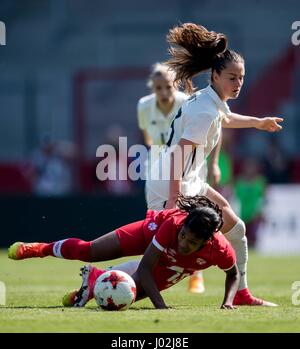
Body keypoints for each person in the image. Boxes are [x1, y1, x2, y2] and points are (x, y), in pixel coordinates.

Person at [145, 23, 283, 305]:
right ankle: (109, 278)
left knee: (236, 228)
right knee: (168, 255)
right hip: (174, 183)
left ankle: (241, 293)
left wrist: (258, 123)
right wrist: (174, 198)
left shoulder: (211, 101)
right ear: (216, 75)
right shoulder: (206, 110)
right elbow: (178, 155)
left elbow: (226, 119)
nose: (238, 83)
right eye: (232, 77)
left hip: (189, 180)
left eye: (242, 78)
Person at [9, 195, 241, 309]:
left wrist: (228, 302)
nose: (184, 242)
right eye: (184, 235)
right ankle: (41, 249)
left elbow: (233, 273)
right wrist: (161, 306)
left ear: (207, 242)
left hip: (174, 265)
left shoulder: (219, 249)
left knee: (129, 294)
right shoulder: (174, 226)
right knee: (89, 251)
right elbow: (145, 267)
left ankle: (92, 285)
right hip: (150, 233)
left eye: (192, 242)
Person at [137, 62, 215, 293]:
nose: (163, 93)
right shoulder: (143, 105)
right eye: (158, 88)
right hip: (157, 169)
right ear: (152, 87)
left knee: (192, 217)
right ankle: (152, 267)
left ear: (176, 86)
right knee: (155, 218)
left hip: (187, 167)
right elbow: (148, 139)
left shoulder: (187, 102)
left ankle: (196, 273)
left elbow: (212, 128)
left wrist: (213, 165)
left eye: (168, 88)